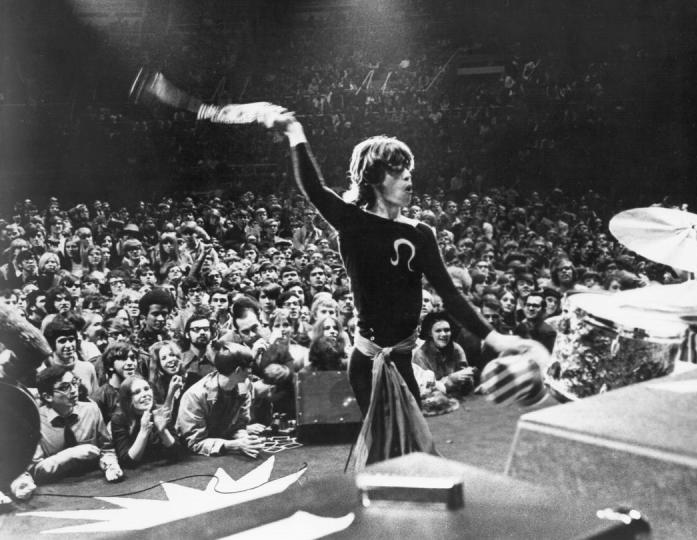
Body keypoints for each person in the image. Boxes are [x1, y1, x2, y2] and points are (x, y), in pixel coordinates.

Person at [260, 107, 547, 416]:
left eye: (408, 169)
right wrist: (294, 131)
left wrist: (496, 338)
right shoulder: (352, 222)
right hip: (368, 362)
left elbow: (450, 294)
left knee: (407, 447)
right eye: (397, 170)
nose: (408, 176)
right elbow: (315, 189)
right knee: (384, 448)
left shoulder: (422, 233)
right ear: (373, 177)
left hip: (402, 358)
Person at [30, 365, 123, 484]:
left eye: (74, 383)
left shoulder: (91, 410)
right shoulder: (36, 422)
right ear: (47, 396)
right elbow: (36, 472)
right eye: (65, 387)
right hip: (57, 487)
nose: (74, 390)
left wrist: (111, 465)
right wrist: (71, 454)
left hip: (92, 480)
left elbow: (106, 449)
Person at [175, 341, 262, 457]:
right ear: (238, 370)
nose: (251, 372)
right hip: (190, 456)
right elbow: (194, 443)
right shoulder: (195, 395)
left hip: (222, 447)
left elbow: (239, 425)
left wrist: (246, 440)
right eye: (249, 368)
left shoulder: (244, 386)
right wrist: (236, 444)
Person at [110, 375, 183, 468]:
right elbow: (127, 462)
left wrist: (163, 431)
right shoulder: (119, 419)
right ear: (128, 399)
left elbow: (178, 453)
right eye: (137, 392)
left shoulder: (159, 411)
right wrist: (144, 431)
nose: (145, 394)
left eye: (146, 389)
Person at [413, 311, 475, 397]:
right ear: (430, 333)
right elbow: (424, 389)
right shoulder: (420, 355)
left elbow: (468, 382)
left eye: (447, 330)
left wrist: (468, 376)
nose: (444, 334)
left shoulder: (456, 348)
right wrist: (449, 380)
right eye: (438, 331)